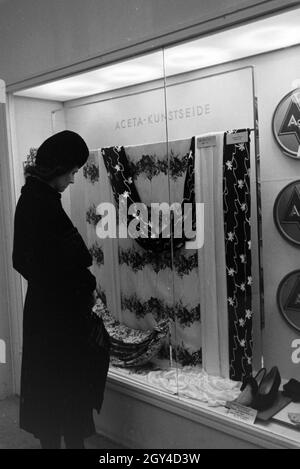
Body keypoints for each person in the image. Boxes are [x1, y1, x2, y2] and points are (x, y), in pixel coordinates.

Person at [12, 130, 109, 449]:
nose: (72, 179)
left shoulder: (36, 198)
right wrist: (78, 288)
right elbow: (37, 261)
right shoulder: (40, 203)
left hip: (48, 316)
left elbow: (31, 261)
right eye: (72, 171)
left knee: (54, 400)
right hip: (58, 321)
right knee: (64, 396)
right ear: (58, 168)